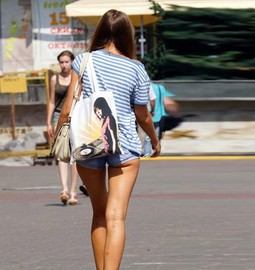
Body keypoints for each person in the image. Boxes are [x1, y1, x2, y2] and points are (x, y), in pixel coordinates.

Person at [55, 9, 160, 269]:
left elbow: (67, 109)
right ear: (127, 36)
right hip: (124, 146)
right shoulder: (137, 69)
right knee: (116, 218)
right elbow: (143, 115)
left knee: (99, 213)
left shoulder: (83, 60)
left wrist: (58, 139)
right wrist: (155, 141)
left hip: (89, 141)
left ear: (100, 31)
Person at [46, 50, 80, 205]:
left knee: (74, 154)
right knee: (61, 153)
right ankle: (64, 189)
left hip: (75, 115)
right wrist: (48, 122)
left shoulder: (78, 77)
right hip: (58, 115)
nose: (64, 65)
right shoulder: (55, 79)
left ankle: (73, 191)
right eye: (61, 62)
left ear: (72, 61)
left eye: (67, 61)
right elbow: (52, 101)